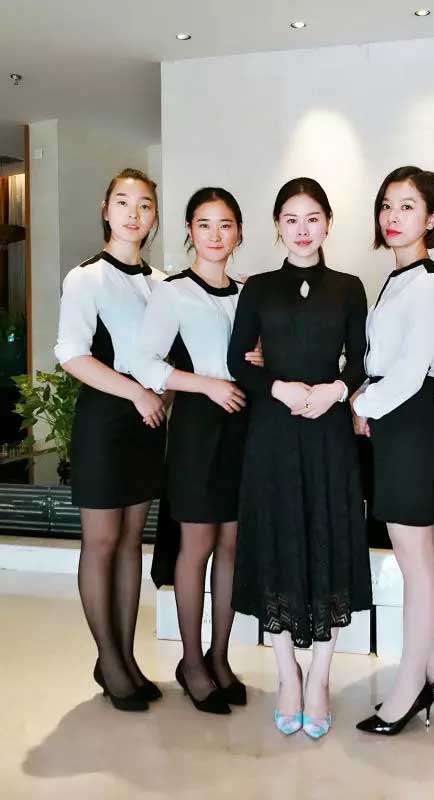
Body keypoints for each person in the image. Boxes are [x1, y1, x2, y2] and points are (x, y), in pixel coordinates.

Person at [227, 177, 372, 739]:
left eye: (313, 218)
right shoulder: (259, 288)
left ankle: (320, 679)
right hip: (273, 432)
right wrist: (278, 387)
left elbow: (360, 360)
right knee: (279, 542)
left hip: (329, 432)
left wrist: (335, 391)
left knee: (329, 540)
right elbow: (236, 360)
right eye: (291, 219)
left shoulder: (349, 287)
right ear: (277, 227)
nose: (302, 229)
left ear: (328, 223)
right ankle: (288, 674)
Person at [132, 188, 262, 715]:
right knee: (198, 544)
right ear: (189, 230)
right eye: (204, 224)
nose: (215, 235)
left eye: (225, 224)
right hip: (198, 428)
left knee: (232, 545)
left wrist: (263, 356)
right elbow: (143, 362)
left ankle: (219, 657)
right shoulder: (174, 292)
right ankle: (190, 662)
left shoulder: (249, 292)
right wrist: (205, 384)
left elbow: (259, 358)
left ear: (239, 233)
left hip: (244, 427)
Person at [55, 168, 167, 711]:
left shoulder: (161, 281)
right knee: (100, 543)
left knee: (130, 542)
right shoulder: (87, 278)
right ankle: (109, 660)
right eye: (123, 202)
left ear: (153, 217)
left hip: (147, 422)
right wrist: (136, 393)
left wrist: (161, 394)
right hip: (105, 418)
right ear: (105, 209)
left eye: (144, 205)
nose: (133, 213)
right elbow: (72, 354)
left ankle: (122, 658)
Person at [352, 166, 434, 736]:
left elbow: (412, 372)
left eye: (408, 206)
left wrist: (361, 405)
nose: (393, 216)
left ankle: (409, 688)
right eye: (387, 205)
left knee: (416, 563)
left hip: (408, 423)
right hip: (397, 422)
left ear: (432, 218)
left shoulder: (428, 283)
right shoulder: (398, 278)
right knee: (427, 556)